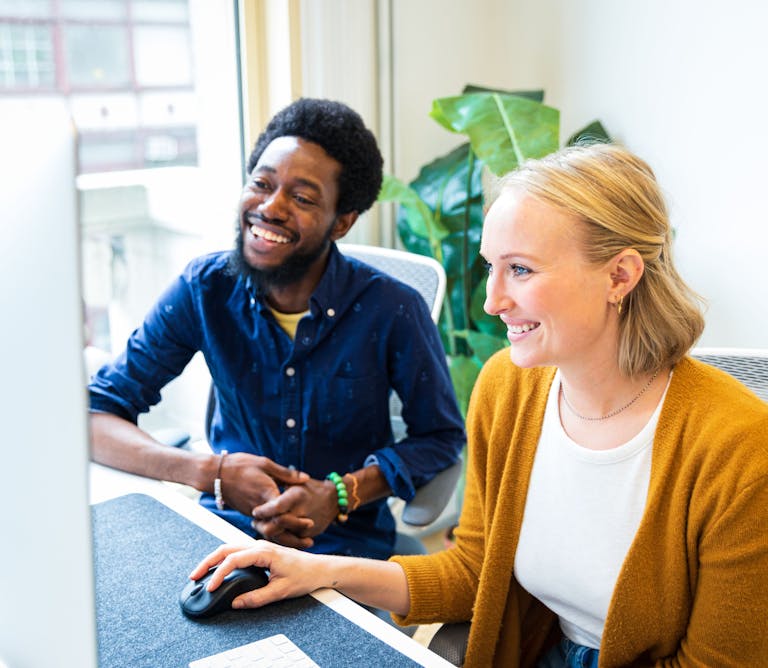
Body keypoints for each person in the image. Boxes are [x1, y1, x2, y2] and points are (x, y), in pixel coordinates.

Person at [187, 142, 768, 667]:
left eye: (520, 269)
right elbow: (474, 570)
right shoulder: (508, 387)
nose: (493, 301)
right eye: (492, 267)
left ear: (619, 275)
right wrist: (320, 572)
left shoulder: (740, 448)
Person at [89, 97, 465, 560]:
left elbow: (441, 438)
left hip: (342, 549)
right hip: (224, 530)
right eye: (261, 184)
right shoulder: (204, 288)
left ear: (341, 221)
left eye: (302, 198)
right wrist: (210, 471)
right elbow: (94, 416)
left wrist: (340, 493)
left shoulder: (393, 310)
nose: (270, 207)